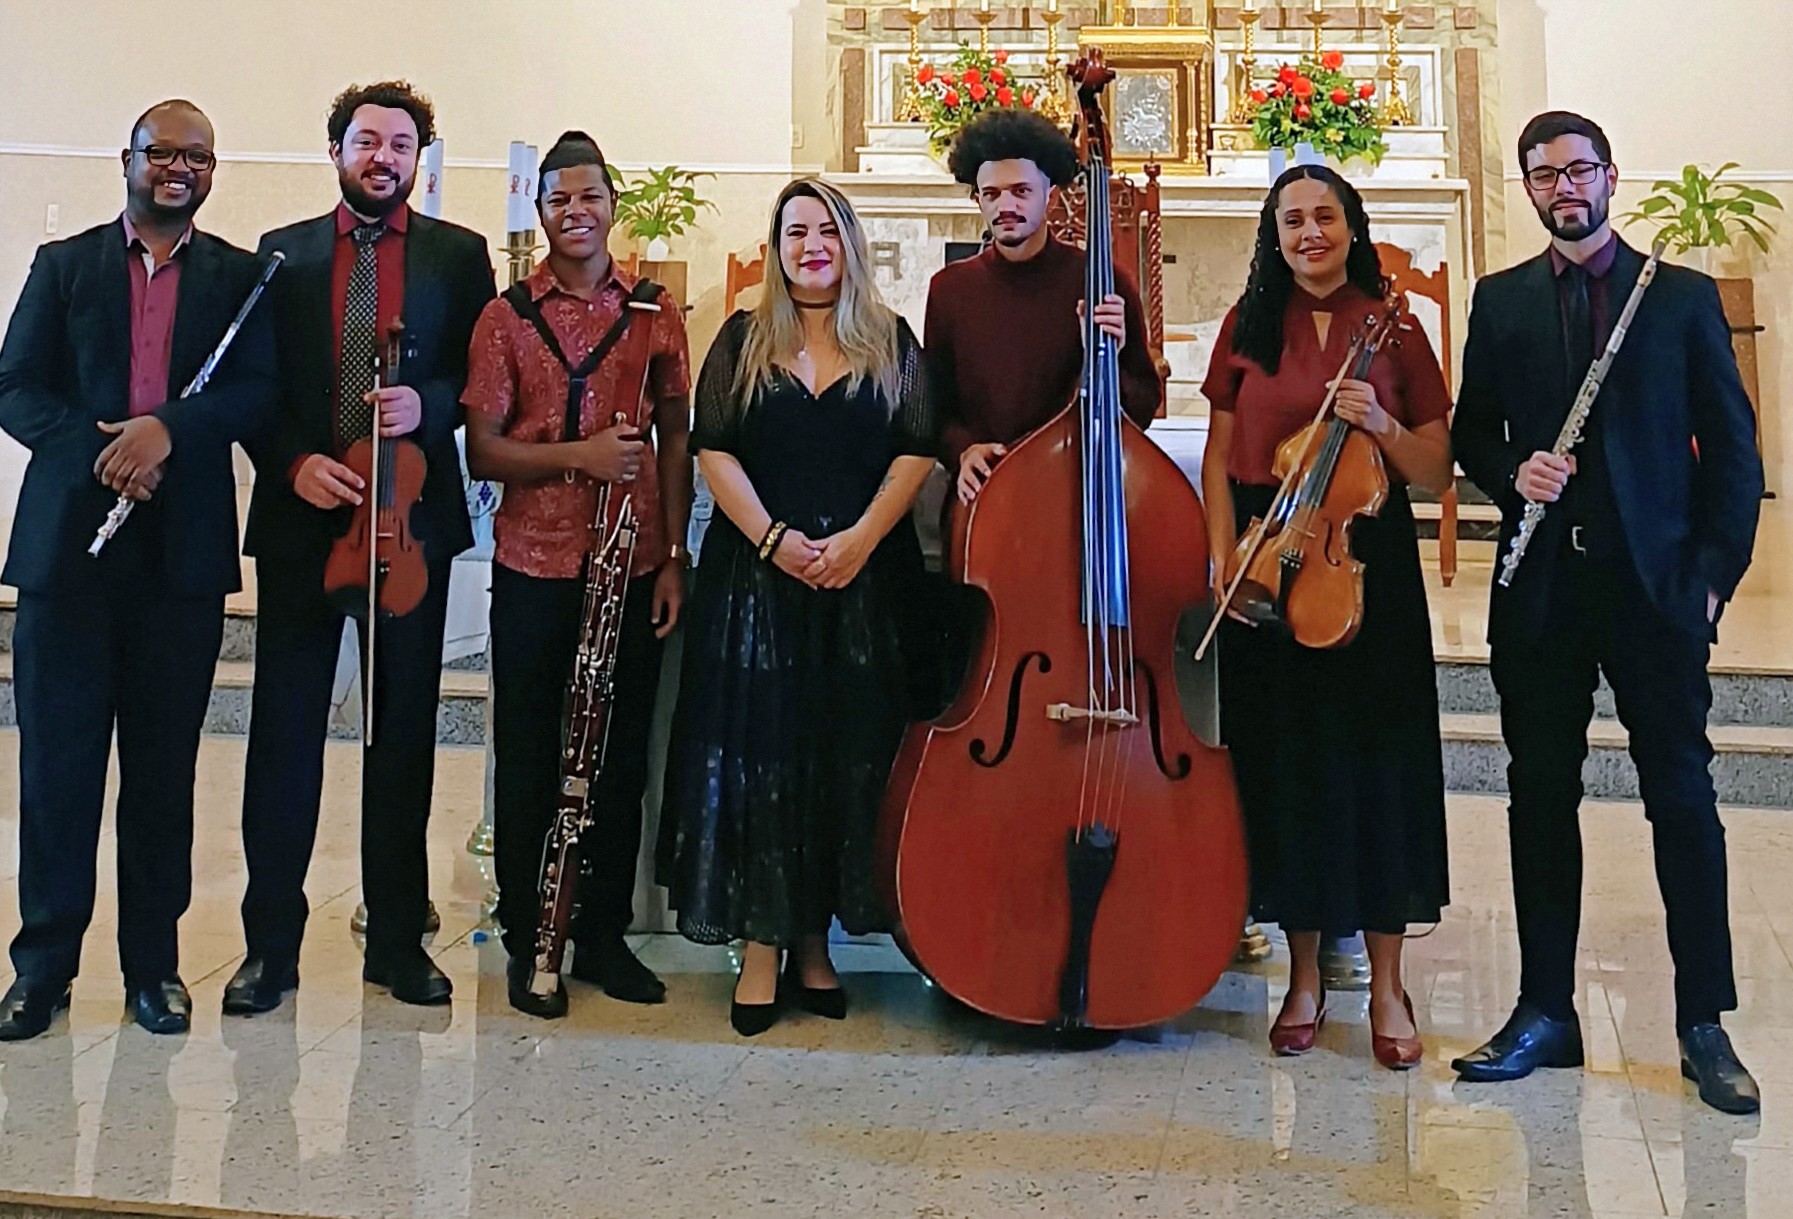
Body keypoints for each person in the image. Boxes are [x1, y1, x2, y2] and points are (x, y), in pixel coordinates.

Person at [1450, 111, 1763, 1113]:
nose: (1562, 187)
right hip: (1542, 589)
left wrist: (1711, 573)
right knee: (1539, 795)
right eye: (1542, 175)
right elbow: (1467, 434)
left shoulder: (1674, 298)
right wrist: (1512, 472)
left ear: (1609, 176)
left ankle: (1701, 1022)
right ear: (1527, 189)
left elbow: (1733, 447)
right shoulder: (1497, 302)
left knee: (1679, 795)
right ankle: (1546, 1009)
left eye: (1577, 169)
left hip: (1652, 588)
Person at [0, 100, 277, 1039]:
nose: (179, 167)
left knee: (162, 773)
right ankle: (42, 967)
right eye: (162, 152)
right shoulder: (65, 265)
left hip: (181, 564)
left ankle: (152, 968)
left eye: (197, 155)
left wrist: (171, 431)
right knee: (58, 771)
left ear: (212, 171)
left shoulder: (240, 278)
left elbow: (256, 393)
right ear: (126, 159)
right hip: (68, 559)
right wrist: (101, 448)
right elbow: (14, 386)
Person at [226, 80, 495, 1013]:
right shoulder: (282, 255)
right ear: (335, 149)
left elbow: (484, 374)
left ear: (422, 157)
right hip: (306, 526)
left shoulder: (461, 256)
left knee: (403, 737)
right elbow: (251, 388)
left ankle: (395, 938)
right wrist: (290, 460)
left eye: (401, 144)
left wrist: (437, 405)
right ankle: (270, 946)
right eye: (366, 141)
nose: (383, 158)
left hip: (409, 526)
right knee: (285, 737)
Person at [658, 178, 937, 1037]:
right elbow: (713, 447)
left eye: (826, 230)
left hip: (862, 586)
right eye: (794, 233)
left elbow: (917, 449)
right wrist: (776, 540)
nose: (811, 245)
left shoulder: (891, 341)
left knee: (840, 756)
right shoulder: (742, 338)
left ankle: (814, 942)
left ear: (850, 243)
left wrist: (855, 542)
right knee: (760, 759)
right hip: (758, 586)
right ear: (778, 249)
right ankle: (761, 944)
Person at [1200, 165, 1453, 1069]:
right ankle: (1303, 976)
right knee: (1289, 769)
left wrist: (1382, 421)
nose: (1309, 231)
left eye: (1324, 216)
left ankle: (1386, 984)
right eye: (1291, 219)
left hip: (1364, 573)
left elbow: (1433, 469)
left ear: (1351, 225)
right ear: (1273, 234)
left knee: (1377, 769)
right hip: (1271, 565)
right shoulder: (1246, 325)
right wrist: (1224, 555)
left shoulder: (1394, 326)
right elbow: (1223, 456)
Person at [463, 131, 693, 1018]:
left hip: (629, 568)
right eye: (558, 199)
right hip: (533, 567)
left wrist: (670, 554)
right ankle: (532, 936)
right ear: (540, 209)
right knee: (529, 755)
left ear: (611, 205)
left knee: (621, 756)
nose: (574, 212)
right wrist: (583, 458)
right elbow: (484, 450)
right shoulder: (504, 317)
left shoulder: (653, 312)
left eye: (590, 197)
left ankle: (600, 933)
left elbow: (675, 437)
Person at [923, 107, 1159, 508]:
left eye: (1021, 191)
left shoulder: (1102, 281)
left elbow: (1142, 408)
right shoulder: (950, 289)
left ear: (1050, 197)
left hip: (1077, 493)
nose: (1006, 206)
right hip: (987, 492)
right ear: (977, 199)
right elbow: (935, 406)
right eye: (992, 194)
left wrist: (1106, 359)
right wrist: (963, 450)